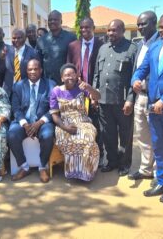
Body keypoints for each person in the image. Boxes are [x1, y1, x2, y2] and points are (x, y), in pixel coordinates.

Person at [132, 11, 163, 203]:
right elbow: (141, 69)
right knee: (159, 146)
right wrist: (136, 80)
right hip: (153, 107)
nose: (160, 31)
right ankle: (162, 181)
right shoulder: (155, 47)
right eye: (160, 27)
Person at [93, 19, 137, 176]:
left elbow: (135, 77)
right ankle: (112, 161)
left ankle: (124, 164)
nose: (110, 33)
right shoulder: (103, 48)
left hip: (122, 101)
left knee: (125, 134)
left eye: (114, 30)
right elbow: (97, 74)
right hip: (103, 100)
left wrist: (130, 100)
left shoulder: (132, 49)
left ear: (123, 30)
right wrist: (94, 95)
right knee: (108, 133)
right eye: (109, 30)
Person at [50, 63, 101, 181]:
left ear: (77, 75)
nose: (70, 77)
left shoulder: (82, 88)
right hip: (64, 124)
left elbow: (98, 97)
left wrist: (89, 88)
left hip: (83, 121)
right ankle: (73, 171)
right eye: (66, 75)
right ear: (62, 78)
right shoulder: (56, 91)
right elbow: (54, 116)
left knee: (87, 138)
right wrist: (65, 127)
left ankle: (86, 172)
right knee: (68, 139)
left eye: (72, 74)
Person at [8, 59, 55, 183]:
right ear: (26, 71)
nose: (33, 71)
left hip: (42, 122)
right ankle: (24, 166)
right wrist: (24, 124)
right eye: (30, 69)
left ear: (41, 70)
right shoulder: (18, 86)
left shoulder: (51, 85)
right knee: (12, 134)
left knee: (48, 135)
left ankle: (42, 166)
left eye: (35, 69)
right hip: (24, 122)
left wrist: (39, 123)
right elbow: (16, 108)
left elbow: (54, 108)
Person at [66, 17, 105, 167]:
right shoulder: (73, 46)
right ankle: (83, 156)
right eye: (81, 28)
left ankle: (99, 156)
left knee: (97, 125)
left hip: (95, 90)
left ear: (93, 28)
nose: (84, 30)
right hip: (78, 91)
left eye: (87, 27)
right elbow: (69, 67)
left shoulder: (102, 45)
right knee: (82, 124)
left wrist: (94, 93)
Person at [128, 11, 159, 181]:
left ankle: (158, 172)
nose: (140, 27)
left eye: (143, 24)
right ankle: (146, 169)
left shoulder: (160, 43)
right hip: (140, 96)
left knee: (157, 136)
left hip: (155, 98)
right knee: (142, 135)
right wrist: (134, 82)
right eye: (138, 24)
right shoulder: (140, 45)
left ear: (153, 23)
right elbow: (137, 70)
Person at [36, 10, 76, 85]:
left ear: (61, 21)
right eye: (50, 20)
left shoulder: (71, 38)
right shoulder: (41, 40)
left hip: (66, 83)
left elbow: (75, 60)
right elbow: (39, 62)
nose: (52, 22)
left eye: (55, 19)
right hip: (47, 83)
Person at [0, 28, 38, 97]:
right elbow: (1, 70)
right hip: (8, 91)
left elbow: (36, 72)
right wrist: (1, 59)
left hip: (25, 90)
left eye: (19, 38)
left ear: (25, 38)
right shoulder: (6, 50)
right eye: (14, 38)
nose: (16, 40)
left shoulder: (32, 52)